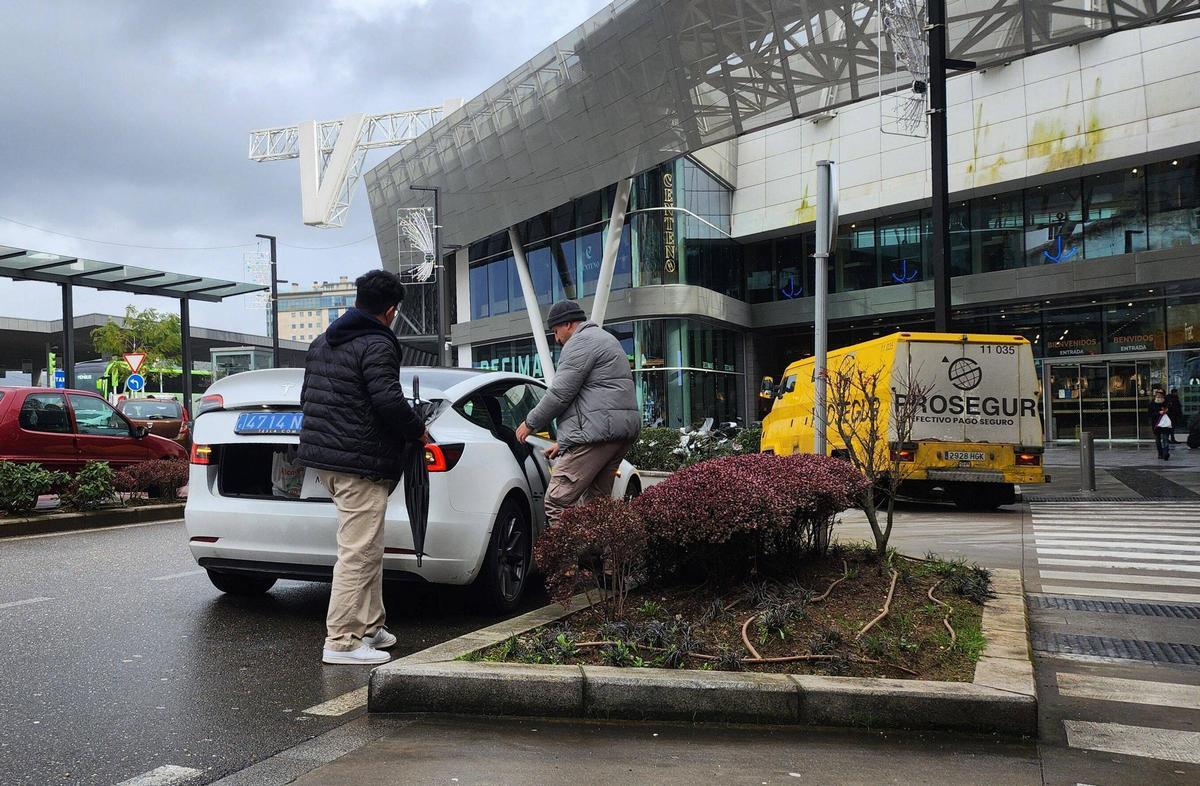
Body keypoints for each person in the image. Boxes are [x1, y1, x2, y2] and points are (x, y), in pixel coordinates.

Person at [298, 270, 429, 665]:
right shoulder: (377, 343)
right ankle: (341, 641)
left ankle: (370, 627)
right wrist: (418, 430)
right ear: (390, 311)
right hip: (360, 462)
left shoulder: (323, 341)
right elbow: (388, 401)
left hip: (329, 460)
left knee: (367, 546)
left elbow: (309, 396)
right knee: (358, 551)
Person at [515, 300, 640, 526]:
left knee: (557, 501)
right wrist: (563, 443)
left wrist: (530, 423)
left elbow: (560, 393)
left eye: (556, 331)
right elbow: (595, 398)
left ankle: (567, 562)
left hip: (598, 435)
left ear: (569, 324)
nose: (556, 339)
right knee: (597, 507)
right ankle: (602, 561)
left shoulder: (580, 342)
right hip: (618, 434)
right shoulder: (605, 338)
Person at [1148, 388, 1172, 461]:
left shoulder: (1167, 403)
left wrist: (1166, 412)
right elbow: (1149, 414)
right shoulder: (1152, 403)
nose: (1158, 396)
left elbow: (1172, 413)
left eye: (1160, 395)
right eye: (1157, 395)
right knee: (1158, 440)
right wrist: (1158, 413)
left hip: (1165, 424)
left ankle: (1165, 453)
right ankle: (1160, 453)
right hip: (1156, 424)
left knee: (1165, 439)